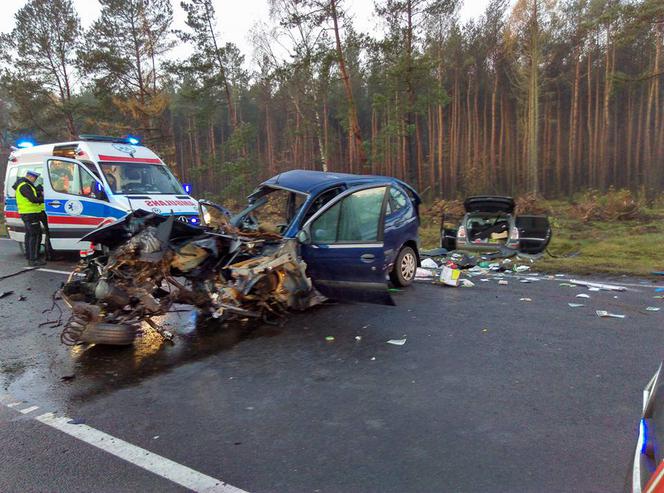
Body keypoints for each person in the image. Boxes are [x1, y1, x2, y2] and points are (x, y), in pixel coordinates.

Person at [12, 170, 46, 266]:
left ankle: (29, 256)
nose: (35, 180)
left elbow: (33, 195)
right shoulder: (24, 185)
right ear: (30, 177)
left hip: (28, 214)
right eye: (34, 178)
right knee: (35, 236)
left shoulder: (25, 185)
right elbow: (33, 199)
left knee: (29, 235)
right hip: (30, 214)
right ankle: (33, 259)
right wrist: (45, 200)